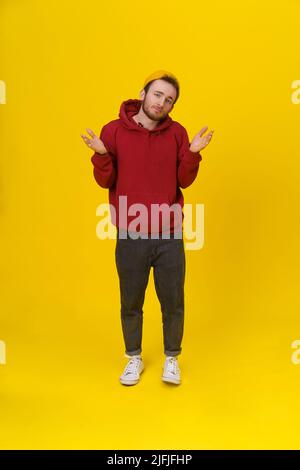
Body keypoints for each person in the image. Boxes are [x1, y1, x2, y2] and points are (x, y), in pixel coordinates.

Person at [81, 70, 214, 386]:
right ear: (142, 94)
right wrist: (101, 154)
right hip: (130, 233)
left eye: (169, 99)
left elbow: (184, 180)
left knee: (172, 301)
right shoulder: (113, 132)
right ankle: (134, 357)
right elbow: (105, 181)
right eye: (158, 94)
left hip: (168, 234)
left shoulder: (177, 133)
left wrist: (193, 153)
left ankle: (172, 358)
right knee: (130, 301)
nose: (162, 102)